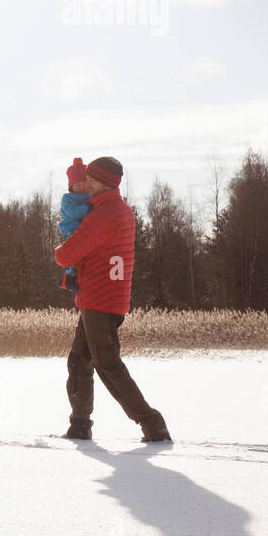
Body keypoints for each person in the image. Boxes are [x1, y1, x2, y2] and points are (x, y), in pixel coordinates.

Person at [53, 157, 172, 443]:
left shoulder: (105, 215)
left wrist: (60, 249)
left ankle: (152, 424)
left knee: (107, 365)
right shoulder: (116, 210)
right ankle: (79, 424)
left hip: (100, 301)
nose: (87, 184)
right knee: (79, 362)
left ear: (106, 182)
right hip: (100, 300)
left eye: (92, 180)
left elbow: (66, 255)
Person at [58, 157, 90, 293]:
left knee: (83, 255)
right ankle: (67, 278)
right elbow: (73, 213)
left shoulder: (89, 196)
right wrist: (88, 208)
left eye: (84, 184)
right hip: (71, 229)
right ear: (71, 187)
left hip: (83, 231)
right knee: (73, 254)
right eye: (78, 185)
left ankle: (77, 276)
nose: (81, 187)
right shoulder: (68, 198)